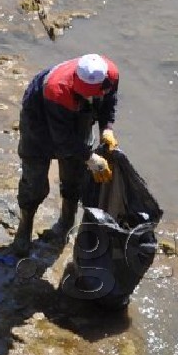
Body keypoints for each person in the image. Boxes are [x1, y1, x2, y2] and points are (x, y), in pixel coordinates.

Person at [9, 53, 120, 255]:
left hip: (80, 114)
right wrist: (91, 157)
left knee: (75, 176)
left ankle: (66, 223)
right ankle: (24, 230)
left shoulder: (110, 74)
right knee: (34, 182)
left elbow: (109, 102)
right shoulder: (57, 89)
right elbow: (62, 139)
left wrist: (107, 128)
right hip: (40, 119)